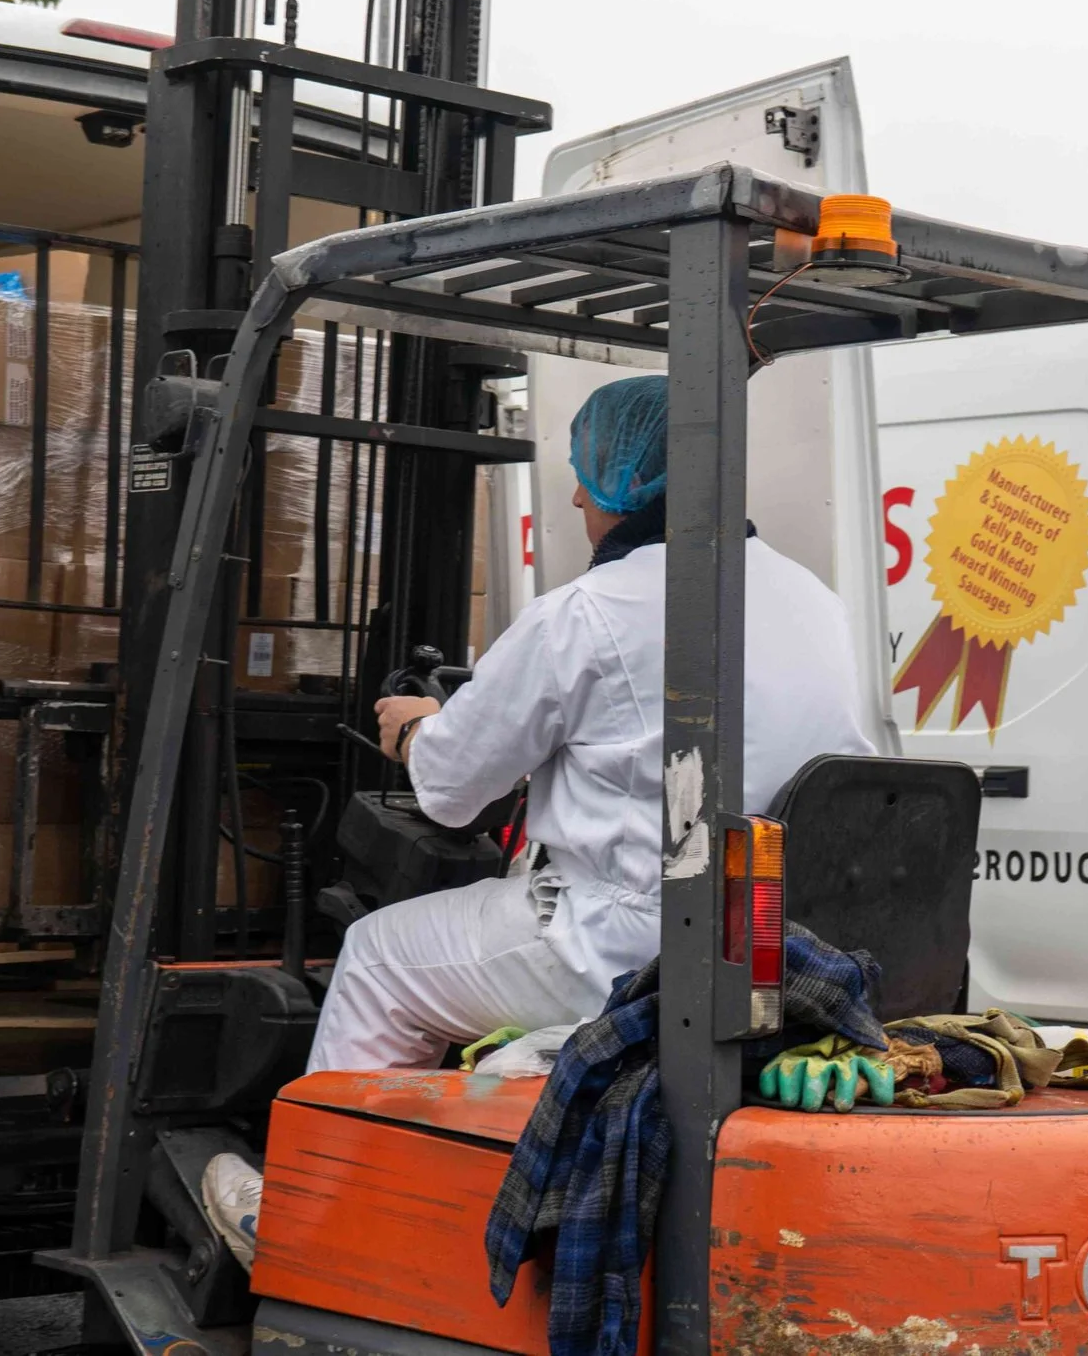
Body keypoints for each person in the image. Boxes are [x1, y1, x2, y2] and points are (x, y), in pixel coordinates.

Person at [303, 372, 875, 1072]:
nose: (576, 496)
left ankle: (336, 1183)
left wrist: (420, 728)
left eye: (585, 476)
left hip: (633, 941)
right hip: (783, 938)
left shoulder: (584, 611)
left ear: (621, 481)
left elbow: (451, 791)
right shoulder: (814, 598)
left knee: (374, 956)